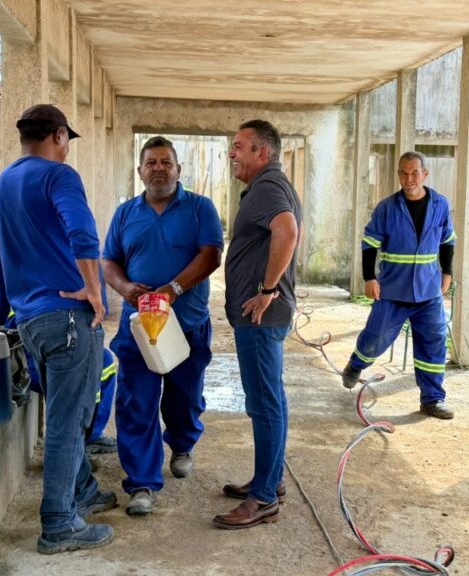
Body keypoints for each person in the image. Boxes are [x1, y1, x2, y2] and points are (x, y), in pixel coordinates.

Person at [0, 104, 116, 554]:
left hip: (30, 321)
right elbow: (83, 232)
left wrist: (2, 309)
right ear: (59, 136)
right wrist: (94, 290)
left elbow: (4, 256)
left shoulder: (3, 182)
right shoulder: (59, 176)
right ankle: (59, 524)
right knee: (67, 422)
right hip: (67, 318)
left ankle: (79, 490)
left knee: (65, 413)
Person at [102, 136, 223, 516]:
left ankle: (183, 442)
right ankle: (141, 482)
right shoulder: (125, 215)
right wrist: (124, 288)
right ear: (140, 171)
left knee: (183, 398)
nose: (159, 168)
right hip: (138, 328)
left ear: (178, 170)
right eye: (151, 162)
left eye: (166, 162)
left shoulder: (200, 207)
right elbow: (109, 262)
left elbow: (211, 255)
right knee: (136, 402)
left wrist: (173, 289)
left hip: (185, 325)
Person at [214, 120, 302, 530]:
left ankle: (263, 498)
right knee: (271, 401)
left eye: (239, 146)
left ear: (261, 153)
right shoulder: (270, 185)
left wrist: (267, 289)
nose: (233, 153)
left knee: (264, 404)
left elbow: (287, 231)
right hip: (260, 316)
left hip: (260, 316)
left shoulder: (268, 187)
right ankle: (270, 480)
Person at [340, 151, 456, 420]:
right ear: (398, 175)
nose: (409, 178)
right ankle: (356, 365)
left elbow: (447, 240)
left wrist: (447, 272)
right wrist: (369, 277)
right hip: (392, 290)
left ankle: (432, 399)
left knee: (433, 344)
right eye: (403, 172)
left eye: (414, 172)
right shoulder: (387, 208)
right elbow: (370, 243)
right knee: (375, 338)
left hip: (428, 292)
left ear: (424, 174)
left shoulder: (440, 204)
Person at [0, 264, 118, 452]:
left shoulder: (4, 267)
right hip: (26, 360)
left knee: (103, 362)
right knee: (92, 366)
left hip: (41, 352)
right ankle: (80, 442)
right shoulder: (8, 271)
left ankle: (87, 437)